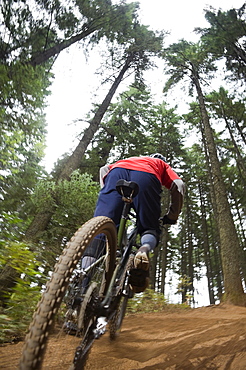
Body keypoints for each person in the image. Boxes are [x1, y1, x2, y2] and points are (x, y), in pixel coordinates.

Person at [82, 154, 185, 291]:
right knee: (149, 227)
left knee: (102, 229)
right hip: (146, 177)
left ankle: (82, 280)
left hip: (116, 173)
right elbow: (179, 184)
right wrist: (172, 215)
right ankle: (143, 249)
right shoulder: (160, 164)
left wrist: (107, 194)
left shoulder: (132, 158)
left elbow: (104, 169)